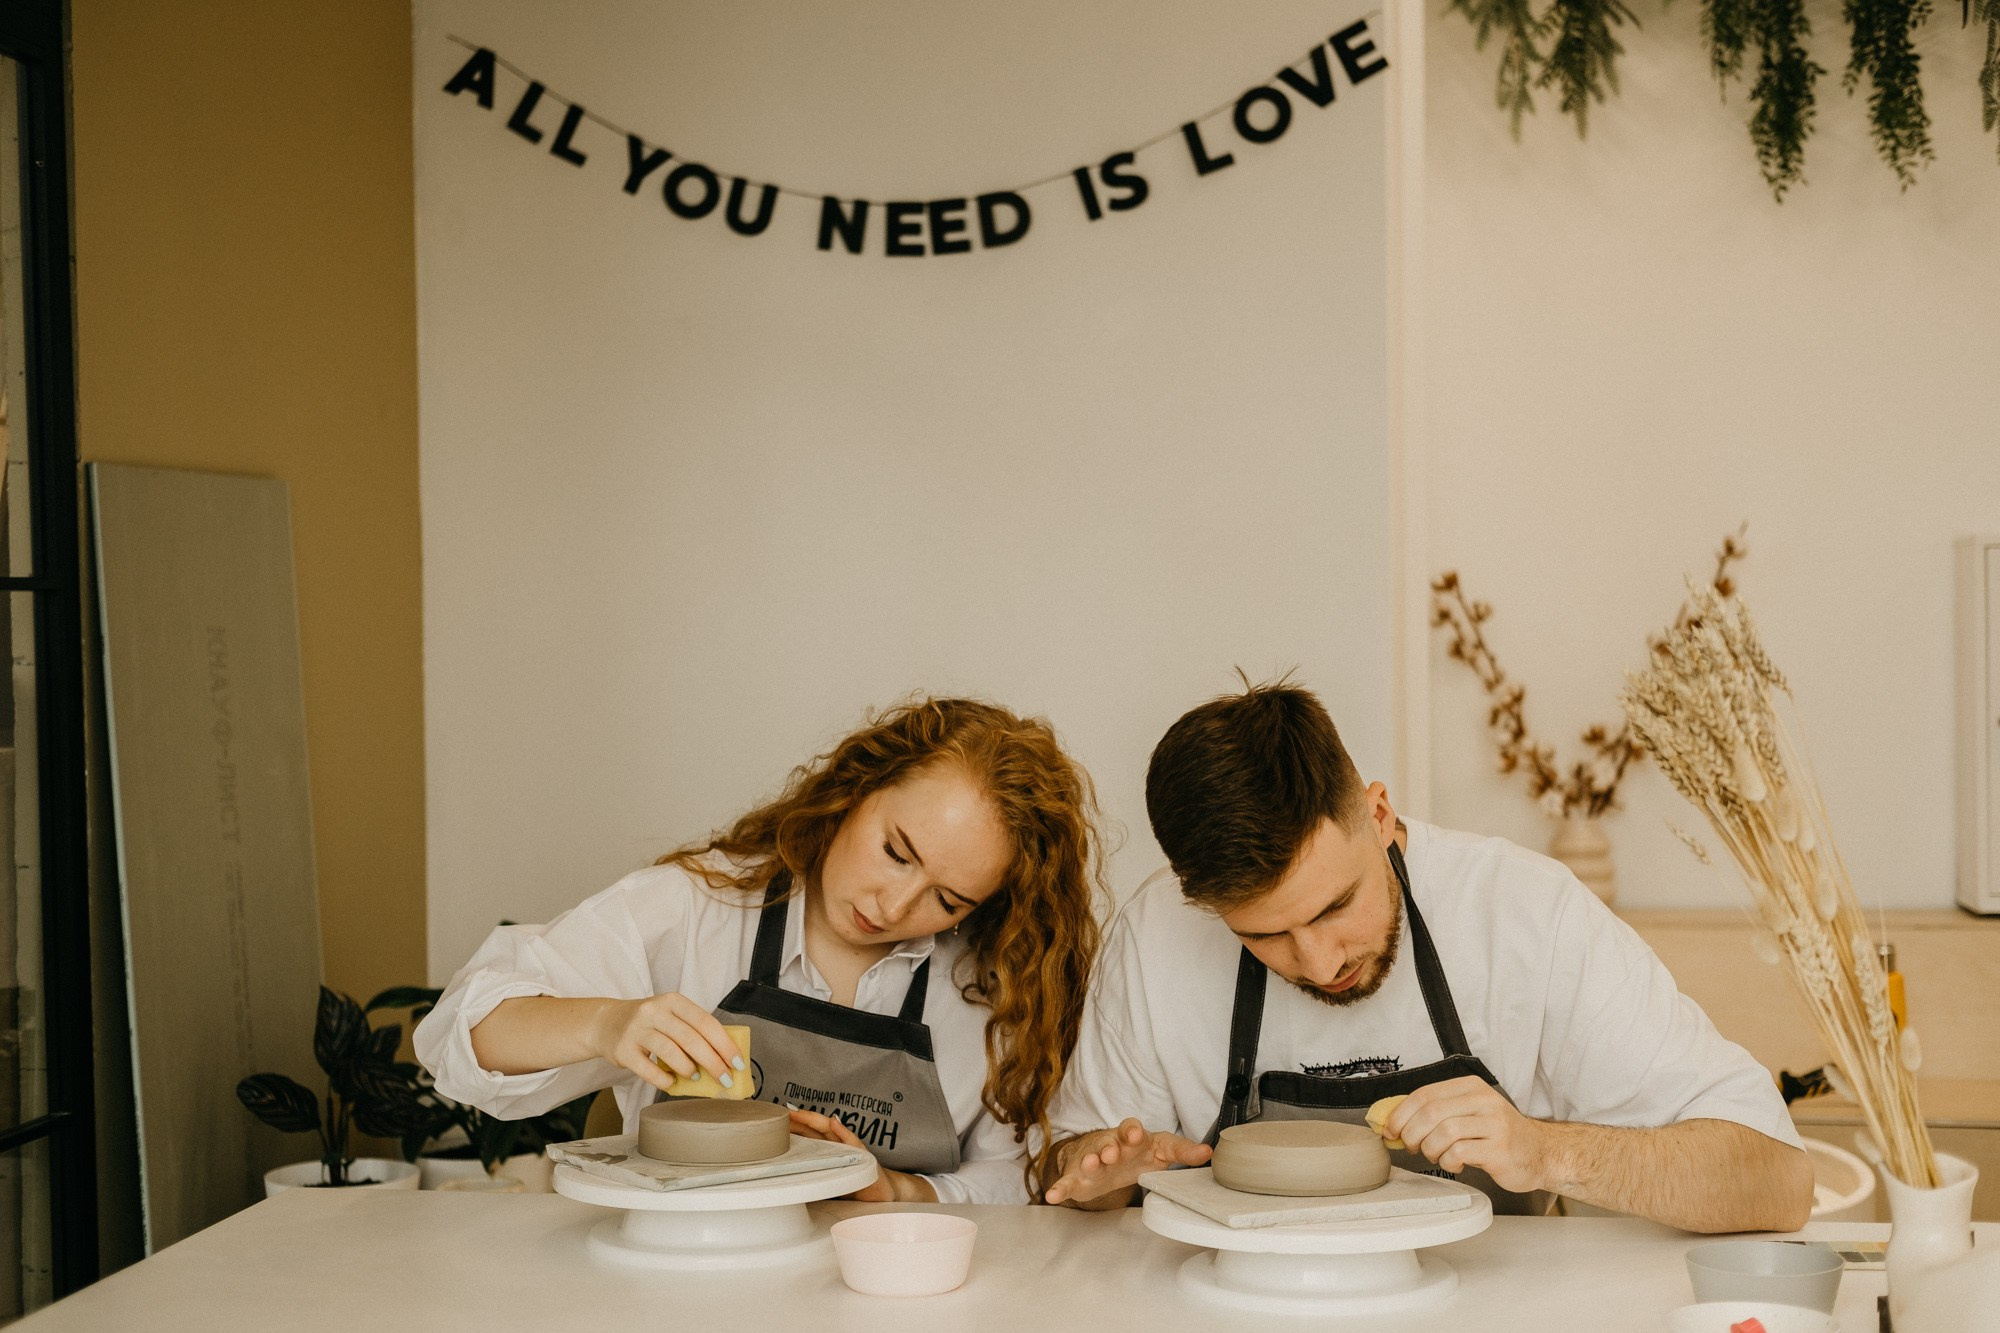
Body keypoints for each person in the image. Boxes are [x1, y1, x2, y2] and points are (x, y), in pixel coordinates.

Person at [1040, 680, 1813, 1232]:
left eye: (1335, 905)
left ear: (1378, 813)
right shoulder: (1153, 936)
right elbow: (1066, 1178)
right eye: (1263, 934)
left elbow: (1779, 1179)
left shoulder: (1525, 913)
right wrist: (1099, 1180)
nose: (1316, 960)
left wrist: (1550, 1150)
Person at [416, 696, 1102, 1204]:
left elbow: (1021, 1177)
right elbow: (458, 1038)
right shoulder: (693, 908)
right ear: (856, 788)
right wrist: (607, 1022)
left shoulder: (988, 982)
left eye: (947, 900)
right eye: (896, 852)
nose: (894, 907)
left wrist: (896, 1191)